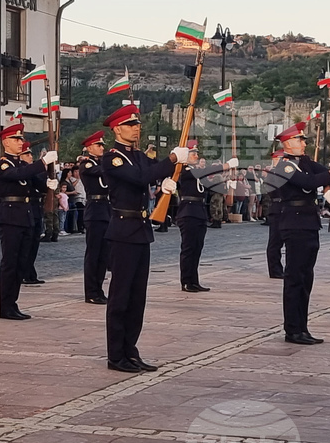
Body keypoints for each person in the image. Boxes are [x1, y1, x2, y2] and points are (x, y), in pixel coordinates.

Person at [101, 104, 185, 372]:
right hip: (123, 229)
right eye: (130, 125)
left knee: (137, 298)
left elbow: (156, 170)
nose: (136, 128)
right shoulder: (113, 158)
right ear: (117, 129)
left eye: (137, 124)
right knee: (120, 296)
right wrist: (171, 160)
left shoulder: (137, 155)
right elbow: (141, 178)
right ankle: (116, 355)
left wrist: (174, 176)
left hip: (140, 229)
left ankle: (131, 351)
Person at [265, 122, 330, 345]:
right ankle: (292, 330)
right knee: (295, 278)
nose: (304, 143)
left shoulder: (305, 162)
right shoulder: (284, 166)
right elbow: (309, 181)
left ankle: (303, 327)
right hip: (293, 221)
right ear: (288, 143)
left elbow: (320, 174)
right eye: (300, 140)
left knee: (306, 277)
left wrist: (327, 186)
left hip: (309, 222)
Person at [0, 125, 56, 320]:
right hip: (11, 216)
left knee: (21, 263)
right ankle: (5, 306)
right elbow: (17, 176)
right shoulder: (3, 164)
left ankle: (13, 303)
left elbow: (34, 182)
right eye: (16, 139)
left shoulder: (21, 165)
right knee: (10, 263)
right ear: (5, 142)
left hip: (25, 216)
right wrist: (42, 163)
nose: (21, 143)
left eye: (21, 139)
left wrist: (48, 182)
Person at [176, 140, 235, 293]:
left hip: (199, 211)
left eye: (196, 153)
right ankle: (186, 281)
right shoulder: (185, 170)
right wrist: (225, 166)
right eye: (193, 153)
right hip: (188, 212)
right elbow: (206, 171)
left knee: (197, 248)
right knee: (188, 249)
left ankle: (194, 280)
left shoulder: (195, 172)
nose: (196, 155)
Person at [78, 131, 111, 304]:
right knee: (94, 254)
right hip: (95, 210)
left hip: (105, 209)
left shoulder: (100, 163)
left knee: (104, 254)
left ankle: (98, 289)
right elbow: (101, 170)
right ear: (89, 147)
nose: (101, 148)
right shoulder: (87, 164)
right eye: (98, 145)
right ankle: (91, 291)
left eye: (102, 145)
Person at [19, 141, 52, 285]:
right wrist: (42, 163)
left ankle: (30, 272)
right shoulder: (19, 169)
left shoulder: (31, 170)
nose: (30, 156)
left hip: (35, 207)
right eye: (27, 154)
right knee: (25, 244)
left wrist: (49, 179)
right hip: (24, 208)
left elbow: (40, 184)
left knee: (34, 243)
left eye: (30, 154)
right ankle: (24, 273)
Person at [264, 151, 285, 278]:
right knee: (275, 242)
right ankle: (275, 269)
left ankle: (279, 268)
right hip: (277, 208)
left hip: (285, 208)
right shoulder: (272, 174)